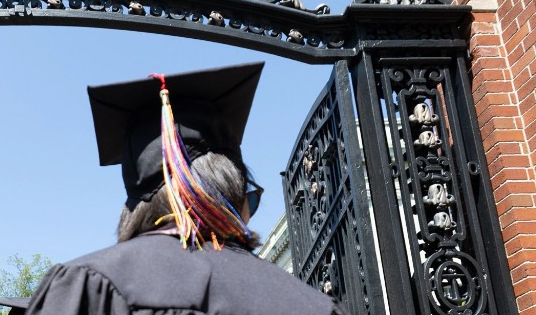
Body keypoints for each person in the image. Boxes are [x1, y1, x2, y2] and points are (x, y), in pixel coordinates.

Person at [26, 63, 345, 315]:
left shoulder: (91, 286)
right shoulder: (313, 305)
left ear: (136, 201)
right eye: (251, 198)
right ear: (229, 191)